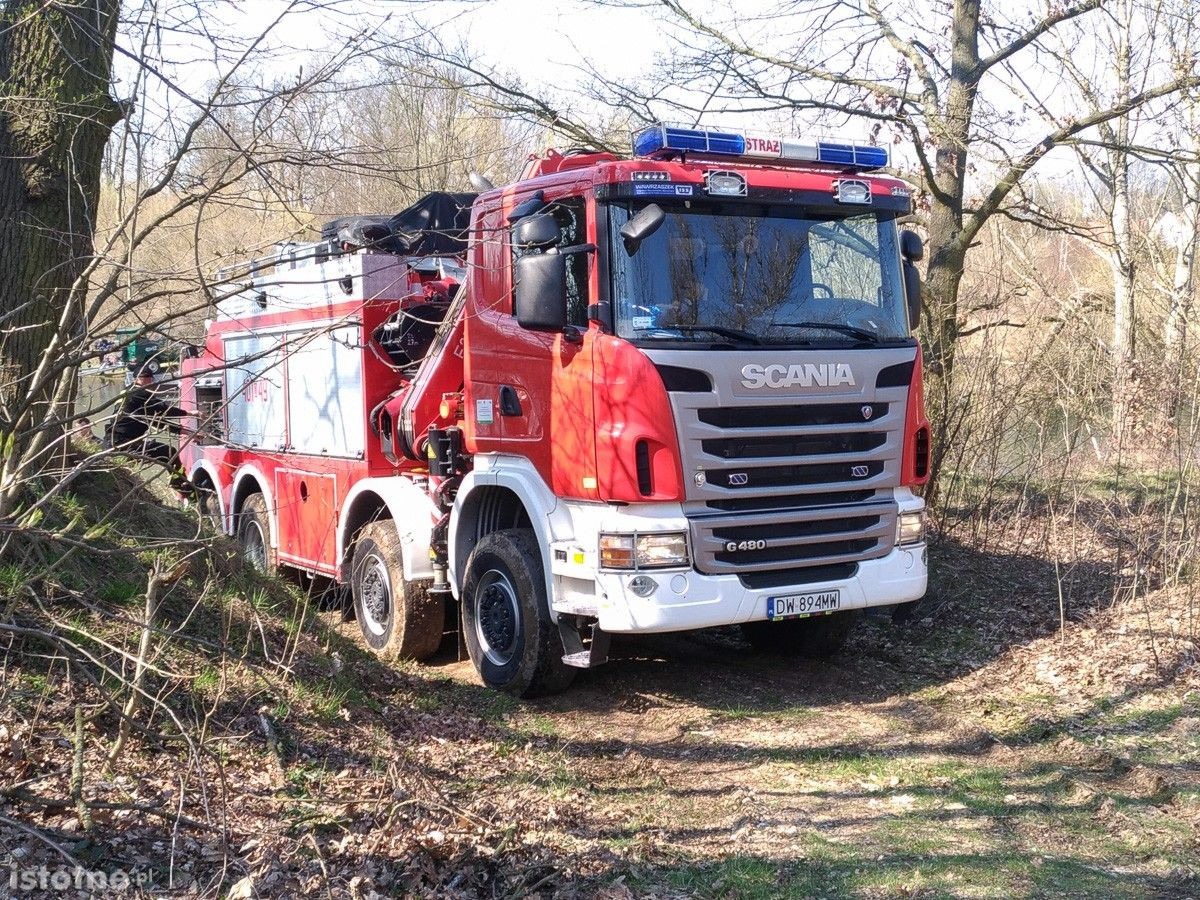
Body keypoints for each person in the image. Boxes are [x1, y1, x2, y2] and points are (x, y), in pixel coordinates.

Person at [109, 361, 189, 488]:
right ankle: (181, 485)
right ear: (138, 379)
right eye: (148, 378)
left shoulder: (127, 391)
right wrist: (189, 413)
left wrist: (183, 431)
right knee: (169, 452)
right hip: (124, 445)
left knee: (167, 452)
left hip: (114, 442)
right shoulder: (140, 394)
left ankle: (179, 483)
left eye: (152, 378)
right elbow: (162, 410)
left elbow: (154, 420)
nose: (152, 381)